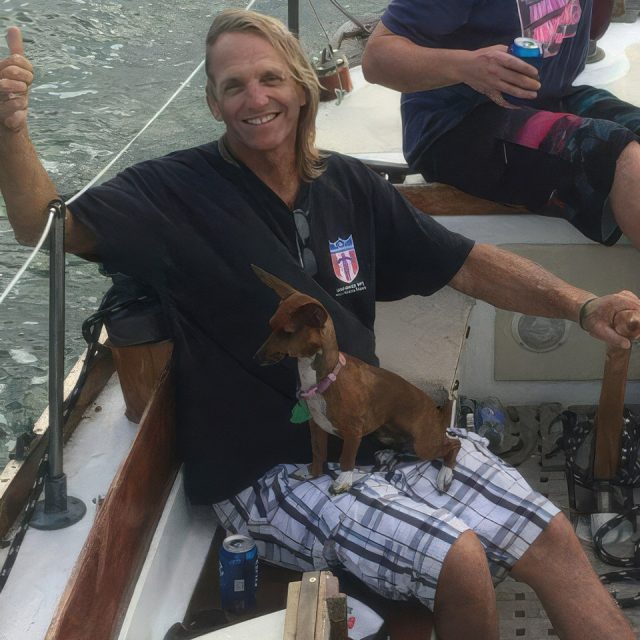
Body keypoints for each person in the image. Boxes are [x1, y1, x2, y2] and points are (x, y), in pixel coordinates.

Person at [0, 9, 638, 639]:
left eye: (271, 79)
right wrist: (10, 131)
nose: (256, 98)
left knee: (552, 535)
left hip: (374, 434)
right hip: (268, 474)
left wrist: (582, 306)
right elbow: (48, 229)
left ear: (304, 87)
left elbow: (466, 264)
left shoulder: (347, 182)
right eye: (233, 86)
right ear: (213, 103)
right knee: (460, 560)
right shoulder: (175, 194)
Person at [361, 0, 640, 249]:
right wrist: (468, 66)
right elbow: (376, 59)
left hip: (546, 97)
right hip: (453, 125)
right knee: (613, 152)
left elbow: (592, 30)